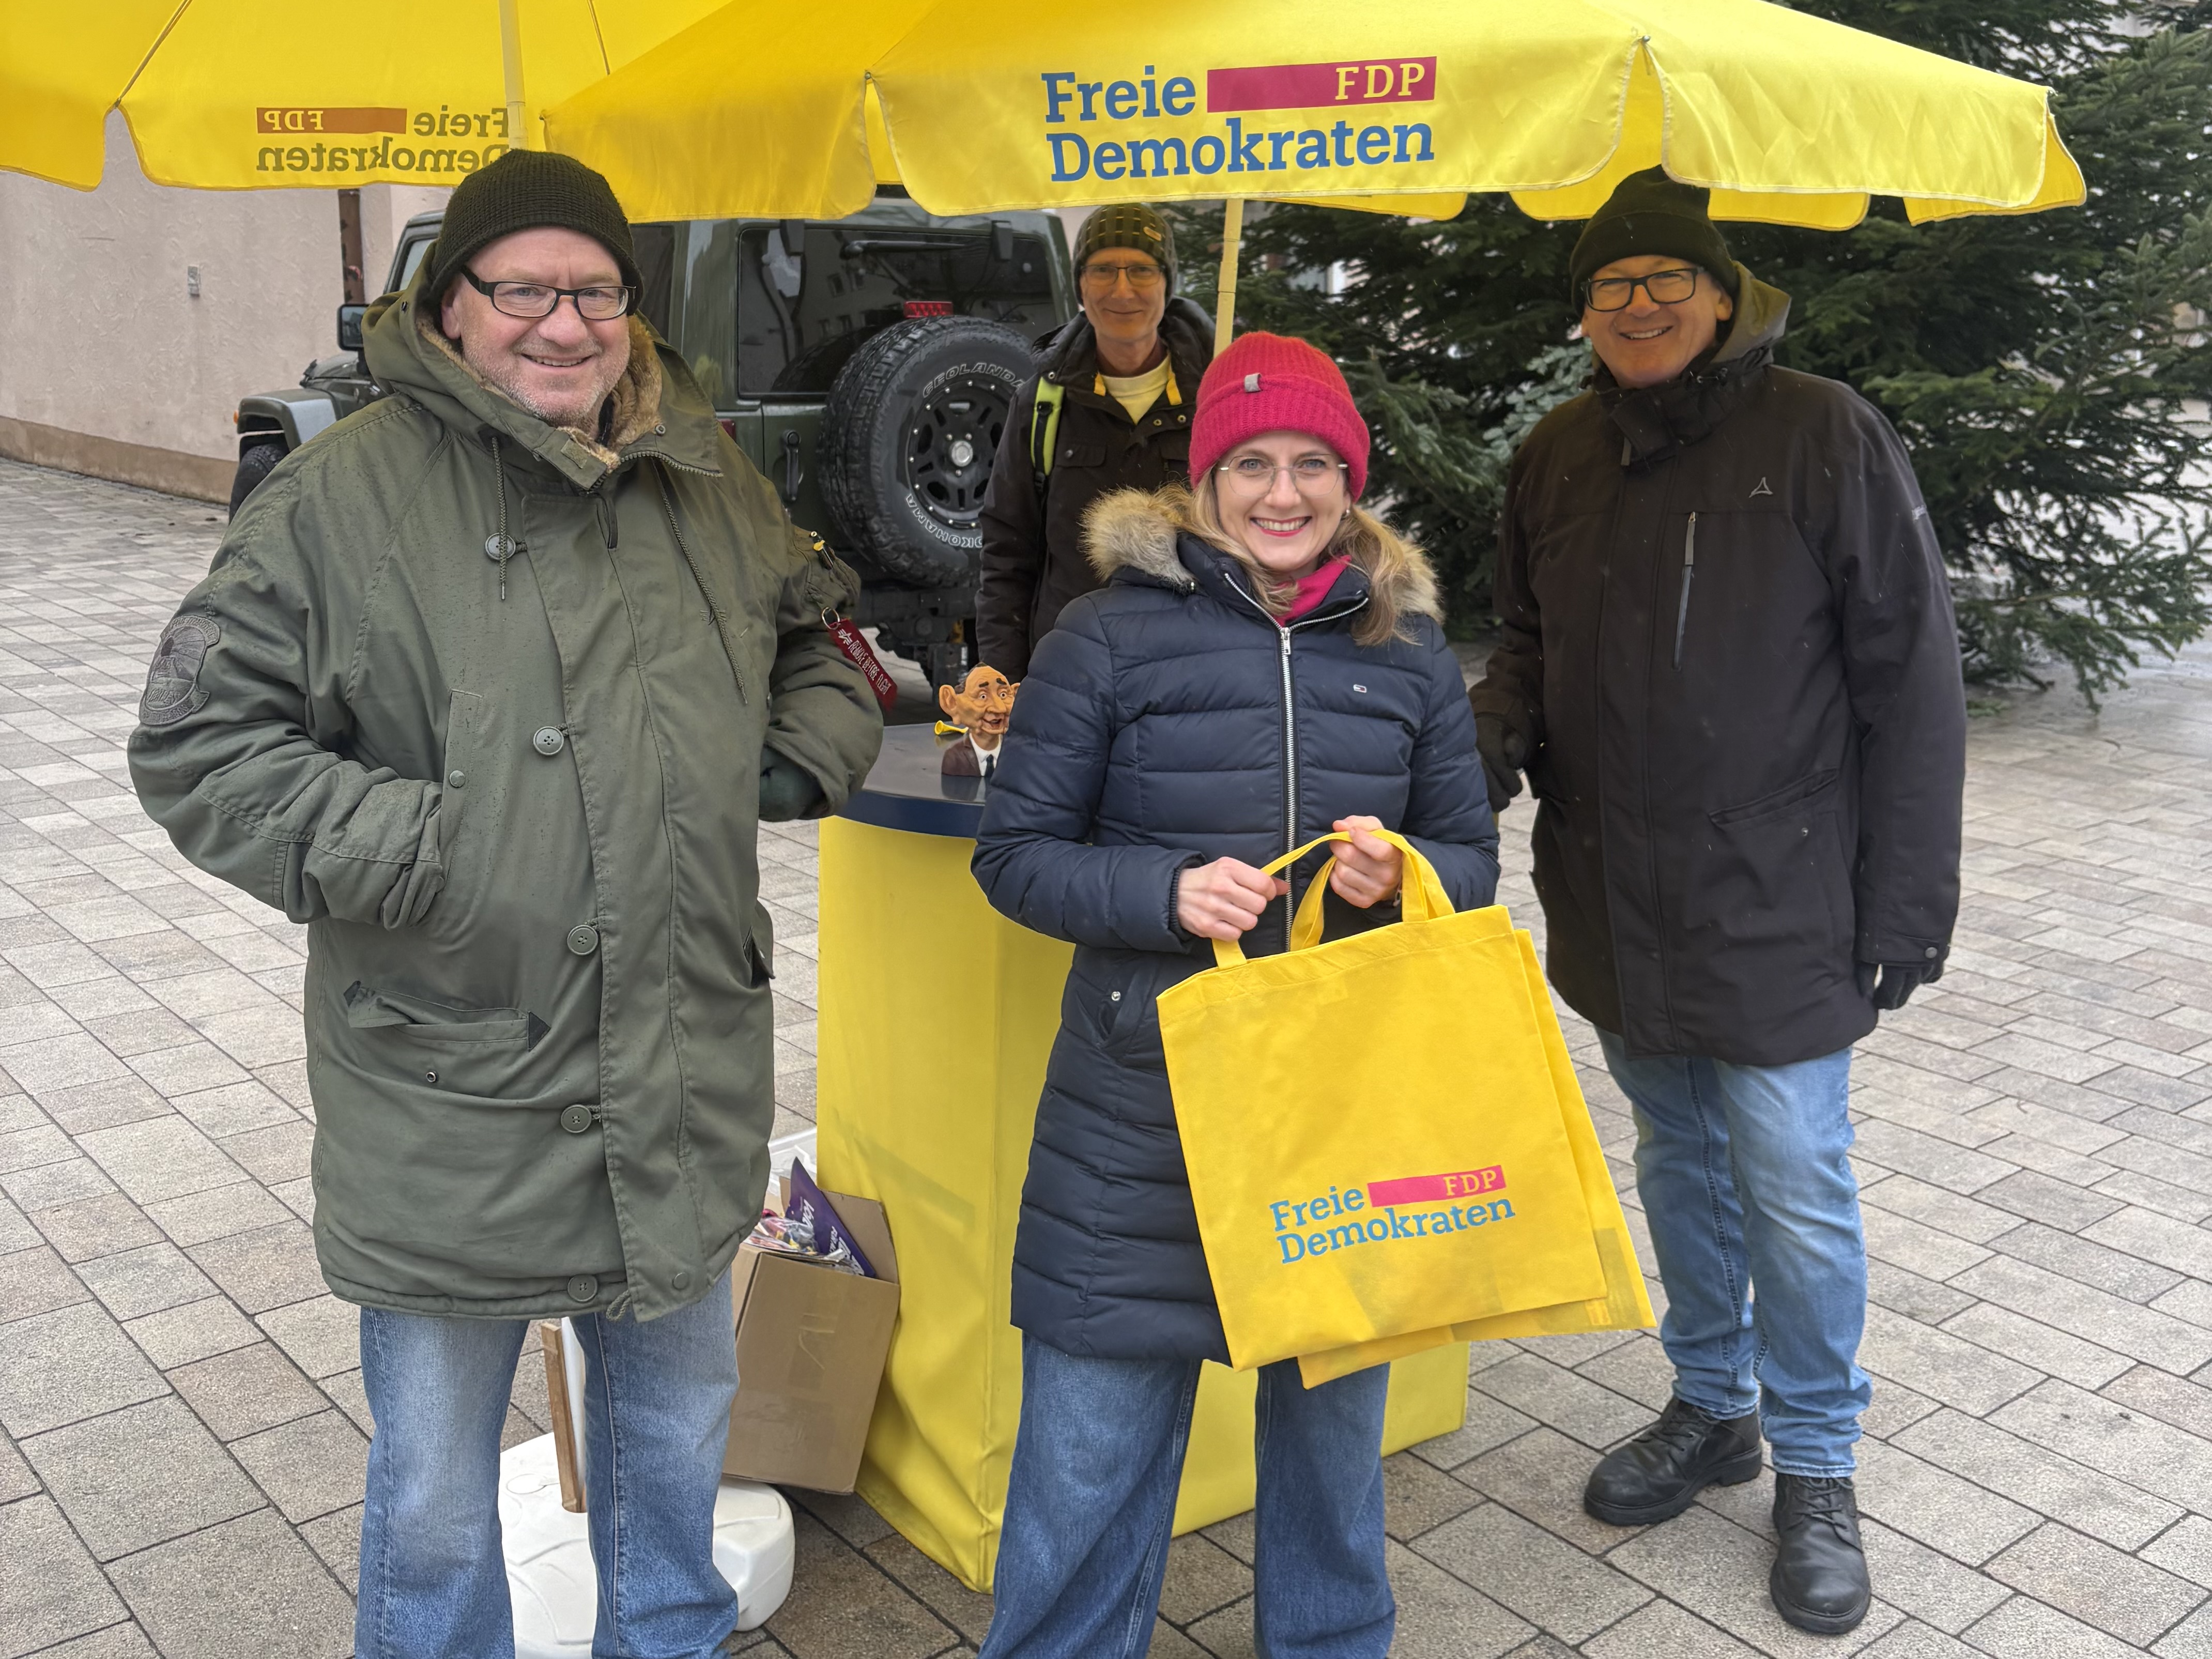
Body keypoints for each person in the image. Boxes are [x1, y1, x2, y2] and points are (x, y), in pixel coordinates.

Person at [127, 149, 883, 1657]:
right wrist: (438, 847)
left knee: (675, 1453)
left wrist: (788, 762)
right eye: (520, 285)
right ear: (450, 305)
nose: (562, 319)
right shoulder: (336, 499)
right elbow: (192, 740)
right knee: (430, 1499)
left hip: (675, 1067)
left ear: (630, 305)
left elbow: (828, 635)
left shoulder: (706, 476)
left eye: (593, 286)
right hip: (446, 1082)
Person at [1468, 167, 1966, 1636]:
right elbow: (1528, 648)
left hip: (1780, 898)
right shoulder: (1559, 453)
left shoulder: (1824, 436)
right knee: (1677, 1164)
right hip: (1617, 896)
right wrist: (1469, 761)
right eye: (1610, 287)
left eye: (1663, 282)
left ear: (1722, 293)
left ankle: (1816, 1462)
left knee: (1795, 1186)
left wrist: (1908, 905)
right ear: (1587, 313)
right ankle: (1713, 1404)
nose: (1637, 307)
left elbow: (1913, 683)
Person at [972, 332, 1498, 1658]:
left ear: (1349, 480)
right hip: (1137, 1113)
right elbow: (1017, 855)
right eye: (1250, 462)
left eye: (1313, 463)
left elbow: (1475, 860)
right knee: (1086, 1465)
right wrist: (1161, 894)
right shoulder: (1100, 638)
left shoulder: (1411, 649)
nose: (1282, 493)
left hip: (1337, 1107)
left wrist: (1409, 869)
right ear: (1200, 482)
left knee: (1329, 1460)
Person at [974, 202, 1214, 681]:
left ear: (1168, 282)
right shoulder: (1042, 403)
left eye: (1142, 270)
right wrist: (1003, 679)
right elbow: (1008, 550)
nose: (1122, 289)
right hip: (1070, 669)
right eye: (1103, 269)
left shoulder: (1218, 395)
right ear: (1081, 284)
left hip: (1193, 672)